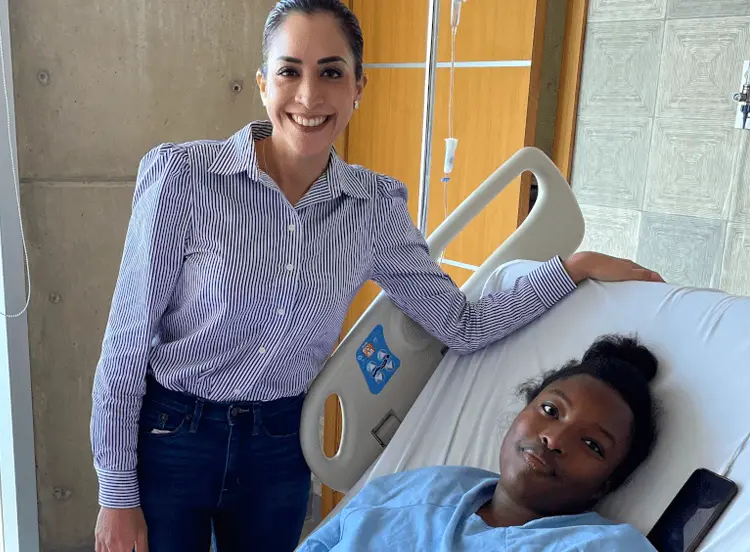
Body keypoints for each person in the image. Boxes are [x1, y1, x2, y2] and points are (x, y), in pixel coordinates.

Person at [90, 1, 664, 551]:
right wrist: (116, 491)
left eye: (332, 73)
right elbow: (127, 337)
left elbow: (459, 324)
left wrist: (570, 268)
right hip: (173, 435)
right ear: (263, 82)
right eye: (289, 71)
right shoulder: (183, 177)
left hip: (280, 447)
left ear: (358, 88)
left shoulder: (374, 208)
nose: (310, 95)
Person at [299, 335, 660, 551]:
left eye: (593, 445)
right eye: (550, 410)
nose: (554, 438)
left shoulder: (603, 546)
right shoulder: (416, 489)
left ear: (606, 484)